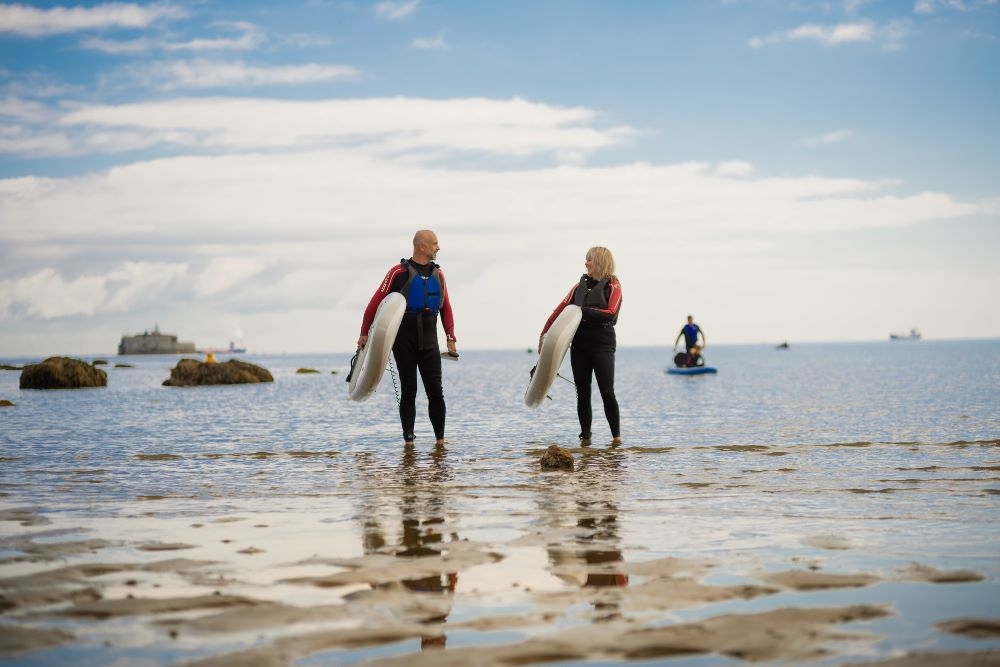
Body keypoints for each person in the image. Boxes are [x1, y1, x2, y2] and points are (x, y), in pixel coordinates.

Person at [358, 230, 457, 446]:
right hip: (404, 339)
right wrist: (364, 332)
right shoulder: (397, 272)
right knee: (409, 390)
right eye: (435, 244)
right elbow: (375, 302)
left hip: (430, 339)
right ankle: (409, 442)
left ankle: (440, 442)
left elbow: (446, 307)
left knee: (435, 392)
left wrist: (450, 335)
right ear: (421, 246)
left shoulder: (439, 275)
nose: (438, 247)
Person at [539, 247, 622, 446]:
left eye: (589, 260)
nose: (586, 264)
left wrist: (581, 311)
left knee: (606, 391)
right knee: (582, 391)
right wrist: (543, 334)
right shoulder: (578, 287)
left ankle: (616, 439)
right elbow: (558, 311)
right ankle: (585, 438)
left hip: (602, 342)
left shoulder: (614, 285)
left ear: (600, 261)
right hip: (579, 343)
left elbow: (611, 313)